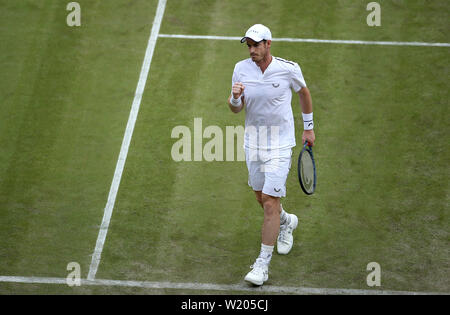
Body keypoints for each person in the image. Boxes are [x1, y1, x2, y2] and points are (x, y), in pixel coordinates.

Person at [227, 24, 315, 286]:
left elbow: (304, 93)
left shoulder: (288, 69)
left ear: (268, 44)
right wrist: (234, 99)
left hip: (280, 145)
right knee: (260, 197)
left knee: (270, 202)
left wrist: (308, 128)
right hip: (253, 144)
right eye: (249, 46)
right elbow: (235, 109)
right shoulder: (240, 69)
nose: (252, 50)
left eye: (256, 45)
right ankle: (286, 222)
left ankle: (262, 265)